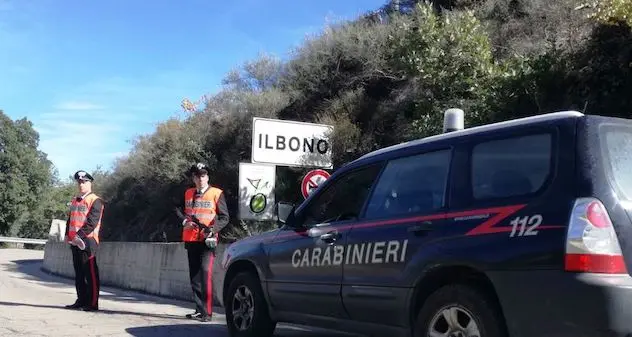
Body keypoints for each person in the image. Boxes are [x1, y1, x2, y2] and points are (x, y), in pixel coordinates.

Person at [180, 162, 230, 322]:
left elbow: (224, 217)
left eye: (203, 175)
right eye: (197, 176)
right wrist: (183, 221)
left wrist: (213, 230)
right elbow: (177, 209)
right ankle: (199, 309)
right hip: (191, 239)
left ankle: (207, 312)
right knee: (194, 275)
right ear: (193, 178)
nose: (200, 179)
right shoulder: (188, 193)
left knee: (205, 273)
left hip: (208, 241)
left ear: (207, 177)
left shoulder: (216, 193)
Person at [63, 170, 105, 312]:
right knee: (79, 273)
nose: (81, 184)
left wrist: (78, 236)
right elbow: (71, 219)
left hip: (88, 241)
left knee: (90, 273)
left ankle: (92, 303)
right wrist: (67, 235)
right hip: (75, 241)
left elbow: (91, 222)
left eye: (84, 182)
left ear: (90, 183)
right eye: (79, 182)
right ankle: (81, 300)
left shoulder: (96, 200)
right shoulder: (75, 199)